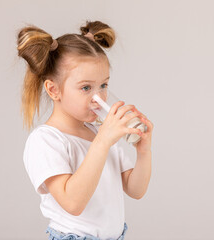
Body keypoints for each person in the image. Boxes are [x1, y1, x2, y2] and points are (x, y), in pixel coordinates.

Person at [17, 20, 153, 240]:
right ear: (53, 90)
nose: (98, 98)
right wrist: (103, 142)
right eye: (86, 88)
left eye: (104, 85)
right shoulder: (46, 140)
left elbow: (135, 190)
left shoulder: (98, 133)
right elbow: (73, 203)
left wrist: (143, 151)